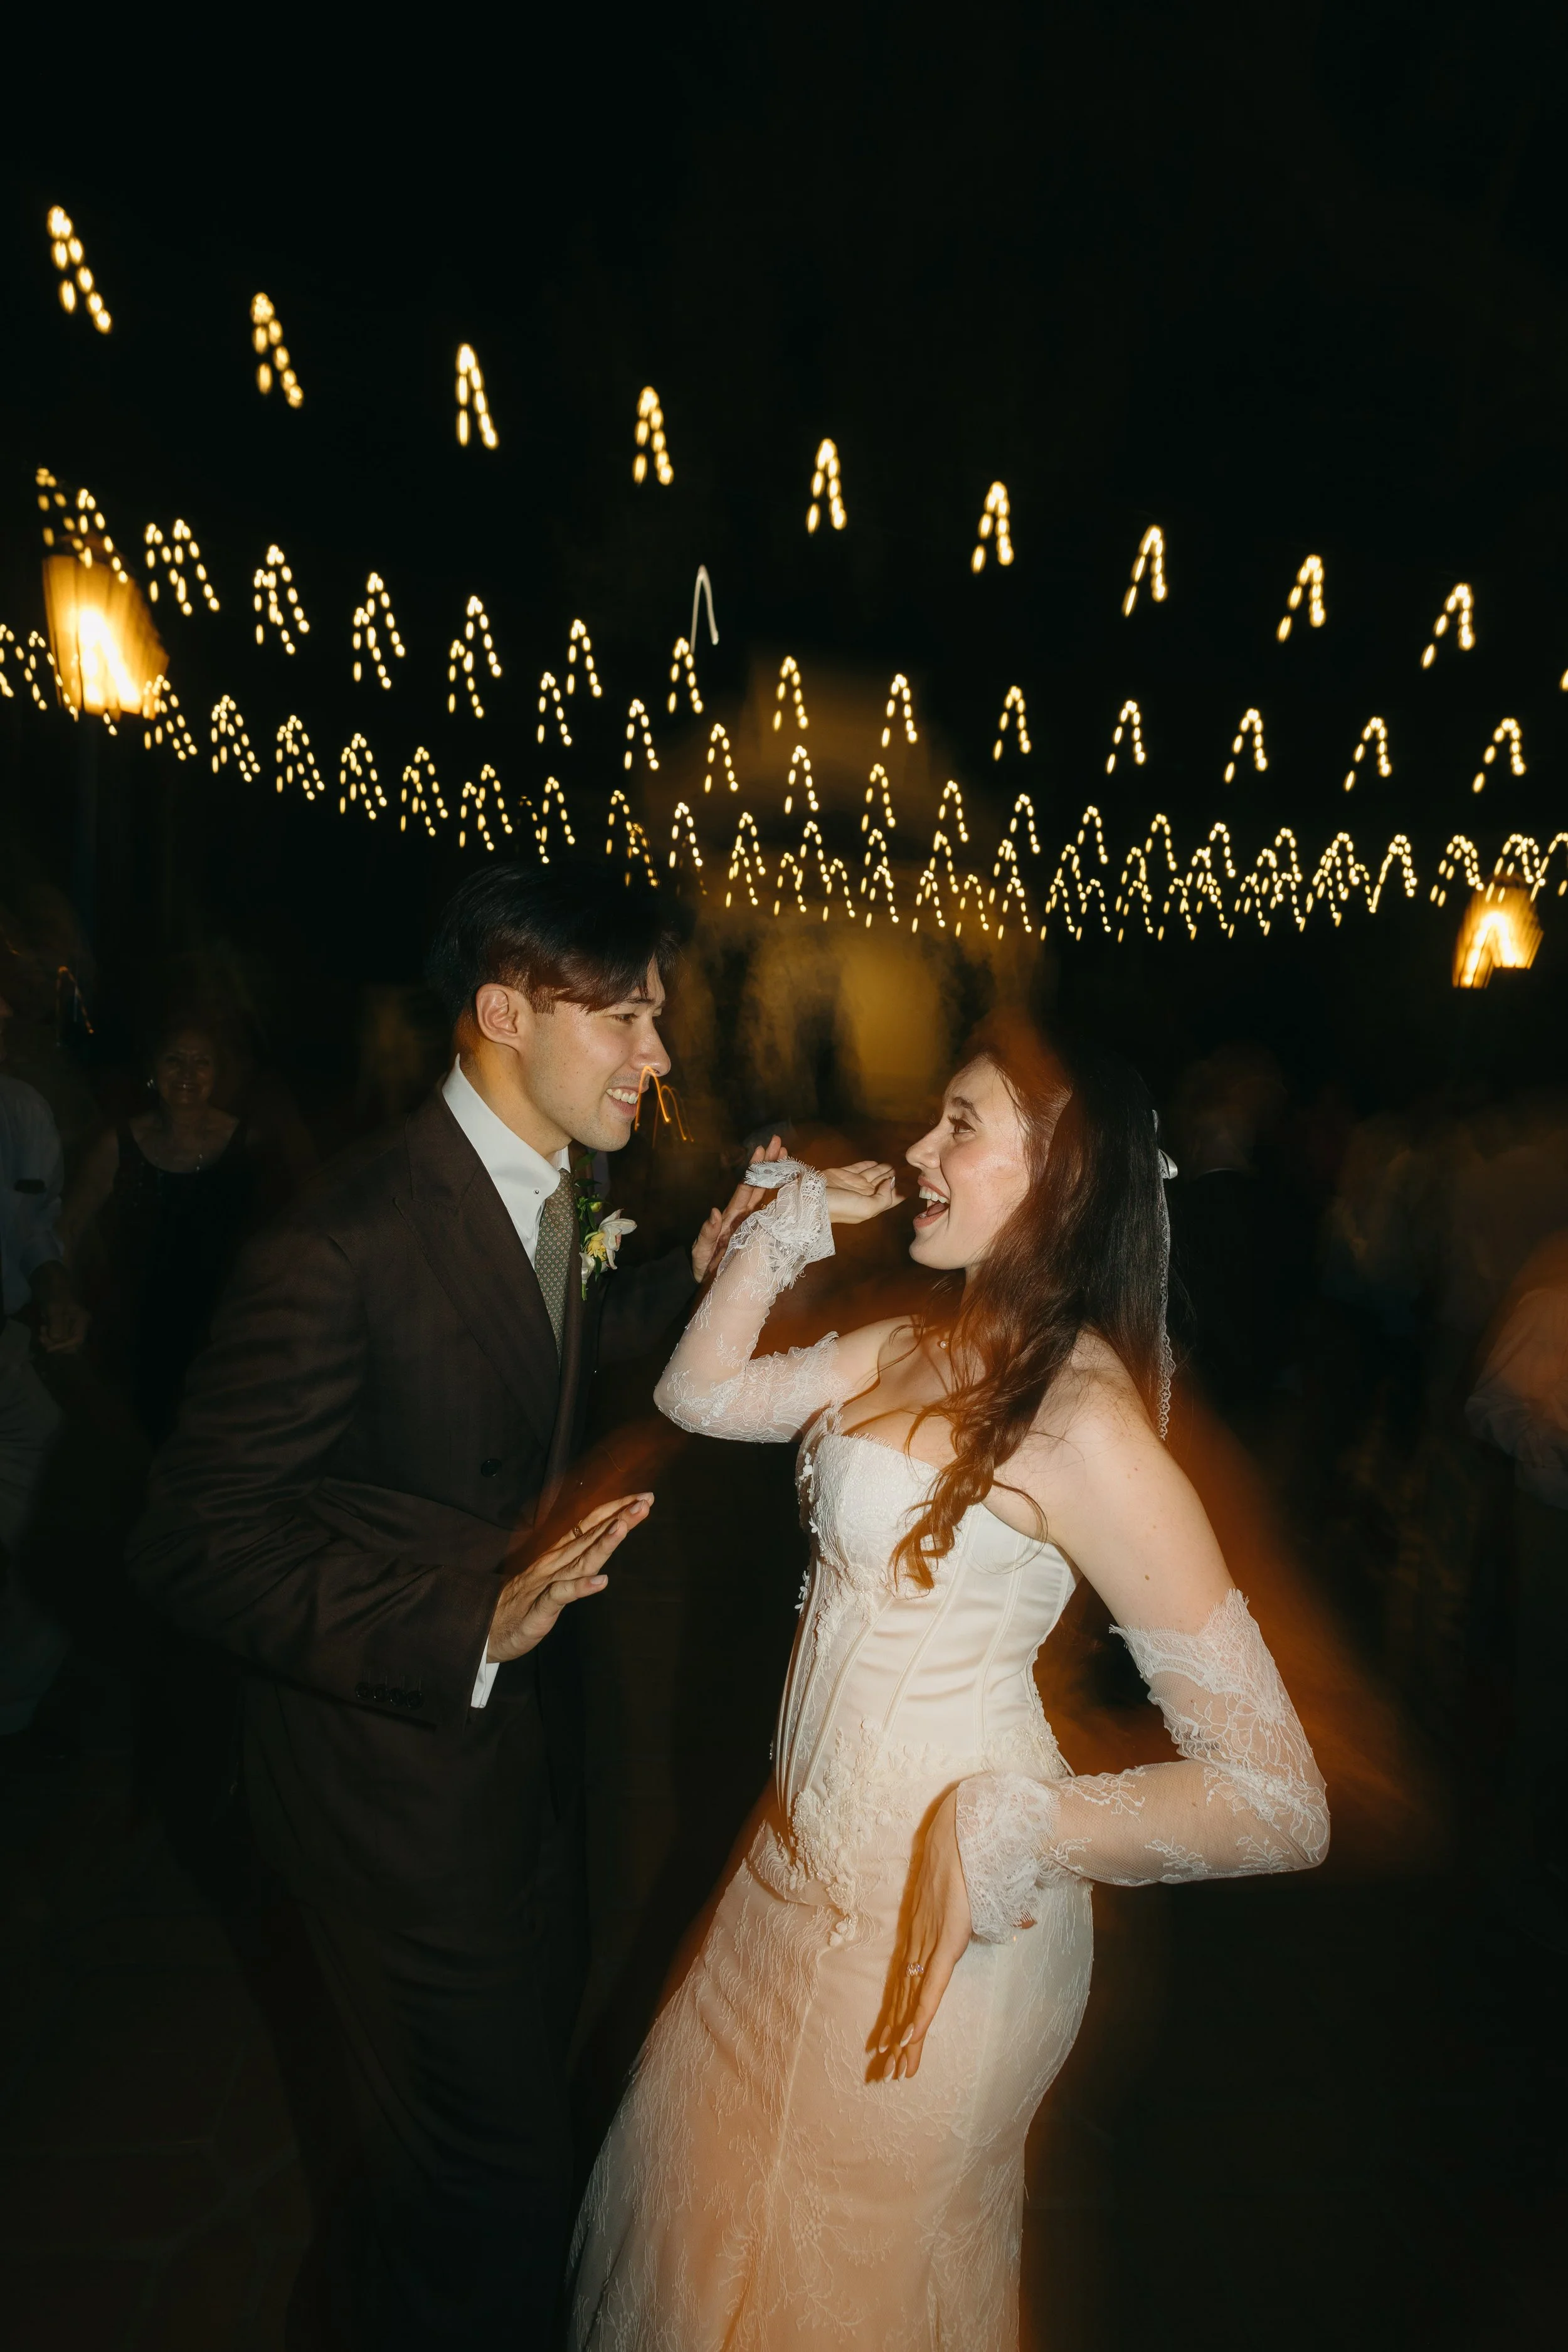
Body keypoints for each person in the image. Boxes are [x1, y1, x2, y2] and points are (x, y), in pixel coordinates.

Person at [571, 1021, 1328, 2351]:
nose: (915, 1148)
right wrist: (786, 1221)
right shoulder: (911, 1339)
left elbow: (1277, 1800)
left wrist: (1018, 1824)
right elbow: (699, 1395)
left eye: (959, 1126)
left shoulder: (1083, 1426)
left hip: (946, 1928)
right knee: (702, 2238)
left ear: (1064, 1178)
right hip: (782, 1876)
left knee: (844, 2293)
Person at [128, 859, 753, 2350]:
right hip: (385, 1786)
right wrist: (463, 1626)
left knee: (472, 2162)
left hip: (509, 1775)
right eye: (624, 1017)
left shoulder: (565, 1183)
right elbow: (190, 1539)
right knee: (499, 2193)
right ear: (500, 1011)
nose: (657, 1055)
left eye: (657, 1016)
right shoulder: (339, 1244)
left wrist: (693, 1274)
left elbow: (557, 1329)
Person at [64, 1015, 257, 1444]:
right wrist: (63, 1301)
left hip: (225, 1336)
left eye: (201, 1062)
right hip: (136, 1338)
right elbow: (69, 1229)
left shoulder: (249, 1145)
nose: (187, 1073)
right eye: (174, 1060)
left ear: (217, 1074)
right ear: (152, 1072)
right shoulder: (117, 1146)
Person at [0, 976, 88, 1765]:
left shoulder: (21, 1106)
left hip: (5, 1342)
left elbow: (34, 1230)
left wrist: (57, 1292)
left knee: (62, 1511)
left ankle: (16, 1708)